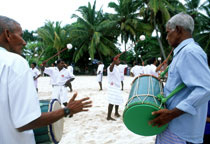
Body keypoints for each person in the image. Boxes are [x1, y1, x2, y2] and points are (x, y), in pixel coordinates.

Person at [0, 15, 92, 144]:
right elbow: (26, 122)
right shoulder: (14, 62)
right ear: (7, 34)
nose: (24, 42)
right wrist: (67, 110)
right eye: (20, 35)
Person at [149, 12, 210, 144]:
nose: (166, 37)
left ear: (178, 29)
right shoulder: (184, 52)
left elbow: (205, 89)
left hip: (181, 131)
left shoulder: (190, 52)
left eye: (168, 32)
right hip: (174, 127)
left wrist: (171, 114)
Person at [106, 56, 123, 121]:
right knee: (112, 101)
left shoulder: (116, 67)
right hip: (112, 87)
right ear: (114, 61)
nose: (119, 61)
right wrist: (113, 62)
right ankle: (108, 116)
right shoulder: (110, 67)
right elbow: (111, 69)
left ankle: (116, 112)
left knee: (117, 100)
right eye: (118, 60)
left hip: (117, 86)